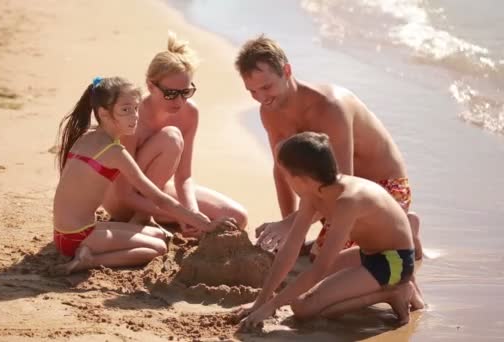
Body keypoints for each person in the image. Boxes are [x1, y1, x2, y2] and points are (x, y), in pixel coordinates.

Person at [235, 34, 422, 261]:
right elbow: (282, 169)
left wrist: (291, 225)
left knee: (337, 262)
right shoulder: (270, 110)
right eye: (252, 91)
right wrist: (294, 235)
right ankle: (390, 231)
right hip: (333, 198)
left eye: (266, 87)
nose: (261, 98)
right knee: (313, 250)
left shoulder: (330, 107)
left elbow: (345, 183)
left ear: (286, 71)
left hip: (384, 190)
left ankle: (403, 227)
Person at [237, 132, 424, 329]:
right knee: (299, 291)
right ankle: (389, 287)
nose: (285, 180)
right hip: (367, 255)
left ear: (302, 180)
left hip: (395, 261)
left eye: (285, 174)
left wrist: (273, 305)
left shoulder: (349, 201)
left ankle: (392, 293)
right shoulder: (313, 194)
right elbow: (290, 247)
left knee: (303, 308)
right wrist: (262, 301)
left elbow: (320, 269)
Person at [52, 76, 236, 275]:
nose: (134, 117)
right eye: (125, 110)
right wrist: (205, 224)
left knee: (157, 233)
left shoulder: (87, 136)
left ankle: (88, 251)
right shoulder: (114, 152)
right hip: (78, 237)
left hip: (66, 233)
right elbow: (158, 198)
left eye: (136, 108)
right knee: (158, 248)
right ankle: (90, 260)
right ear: (104, 113)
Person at [102, 32, 248, 237]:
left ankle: (153, 218)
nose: (178, 102)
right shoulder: (134, 117)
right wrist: (181, 214)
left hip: (156, 191)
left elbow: (184, 176)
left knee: (235, 218)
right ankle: (142, 220)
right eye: (171, 94)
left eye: (185, 92)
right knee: (171, 137)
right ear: (151, 85)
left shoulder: (189, 113)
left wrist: (191, 211)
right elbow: (124, 192)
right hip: (121, 198)